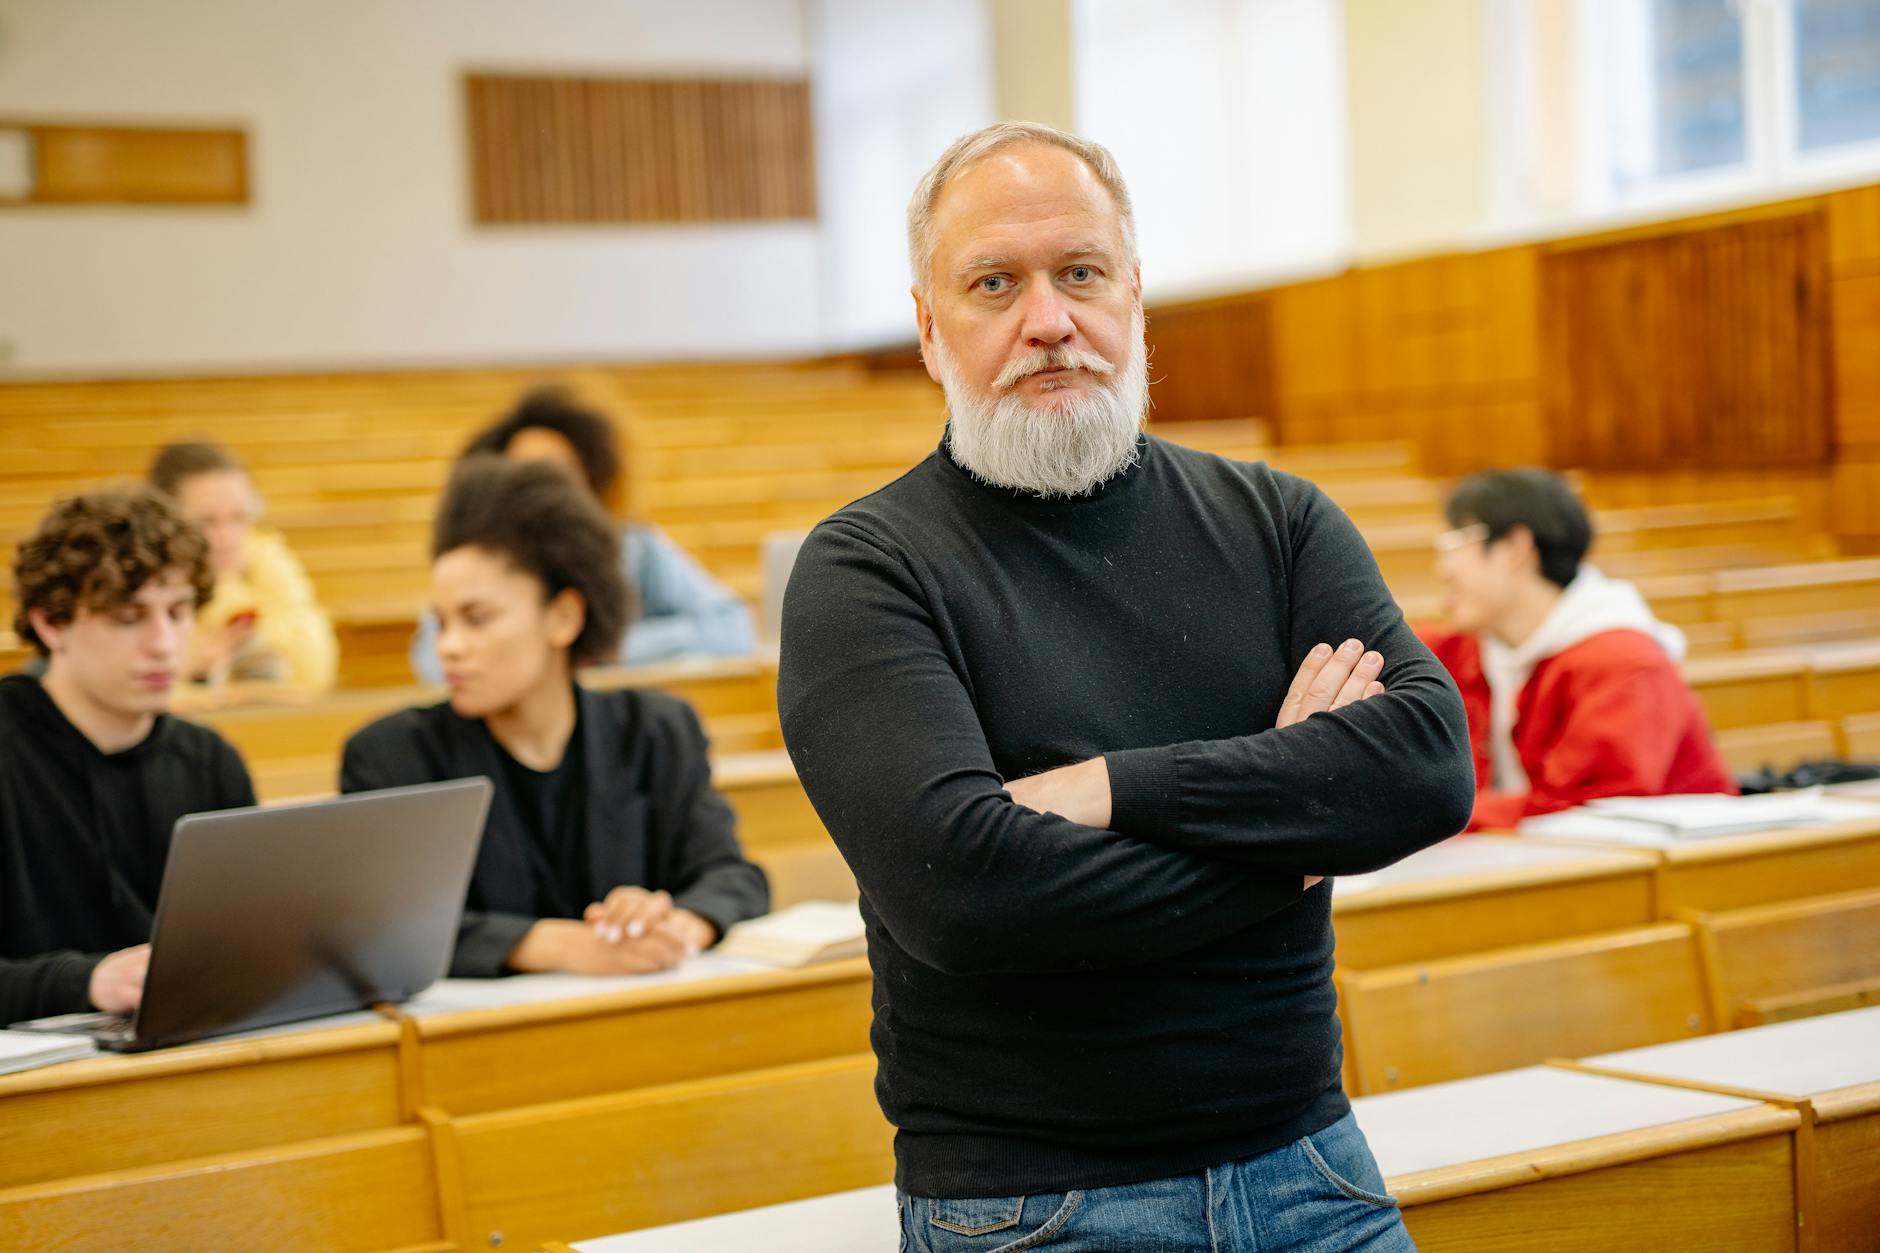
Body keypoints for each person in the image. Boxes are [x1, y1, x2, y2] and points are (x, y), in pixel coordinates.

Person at [778, 122, 1472, 1251]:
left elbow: (1428, 770)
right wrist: (1293, 838)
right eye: (993, 282)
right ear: (925, 327)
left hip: (1312, 1164)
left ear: (1134, 297)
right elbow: (965, 893)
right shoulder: (866, 568)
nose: (1047, 320)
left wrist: (1105, 788)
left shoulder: (1279, 522)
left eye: (1081, 274)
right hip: (1031, 1207)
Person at [344, 456, 768, 978]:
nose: (449, 648)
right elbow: (380, 926)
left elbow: (732, 876)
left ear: (564, 617)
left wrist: (672, 924)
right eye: (442, 623)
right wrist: (553, 945)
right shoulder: (391, 755)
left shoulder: (656, 730)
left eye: (476, 619)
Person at [1, 487, 256, 1026]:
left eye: (179, 611)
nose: (164, 643)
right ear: (52, 624)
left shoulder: (210, 762)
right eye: (128, 616)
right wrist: (86, 981)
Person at [1421, 468, 1736, 830]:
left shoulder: (1623, 661)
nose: (1441, 569)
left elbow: (1585, 808)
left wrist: (1417, 821)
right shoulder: (1470, 647)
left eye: (1454, 543)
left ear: (1514, 548)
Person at [408, 388, 754, 683]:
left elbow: (730, 625)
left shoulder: (635, 547)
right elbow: (431, 660)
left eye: (558, 473)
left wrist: (600, 651)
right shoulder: (479, 561)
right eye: (525, 474)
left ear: (590, 479)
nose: (543, 490)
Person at [148, 440, 338, 698]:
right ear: (165, 524)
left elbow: (316, 671)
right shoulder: (142, 585)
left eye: (238, 518)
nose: (226, 537)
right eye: (206, 522)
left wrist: (230, 589)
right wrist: (183, 671)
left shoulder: (267, 558)